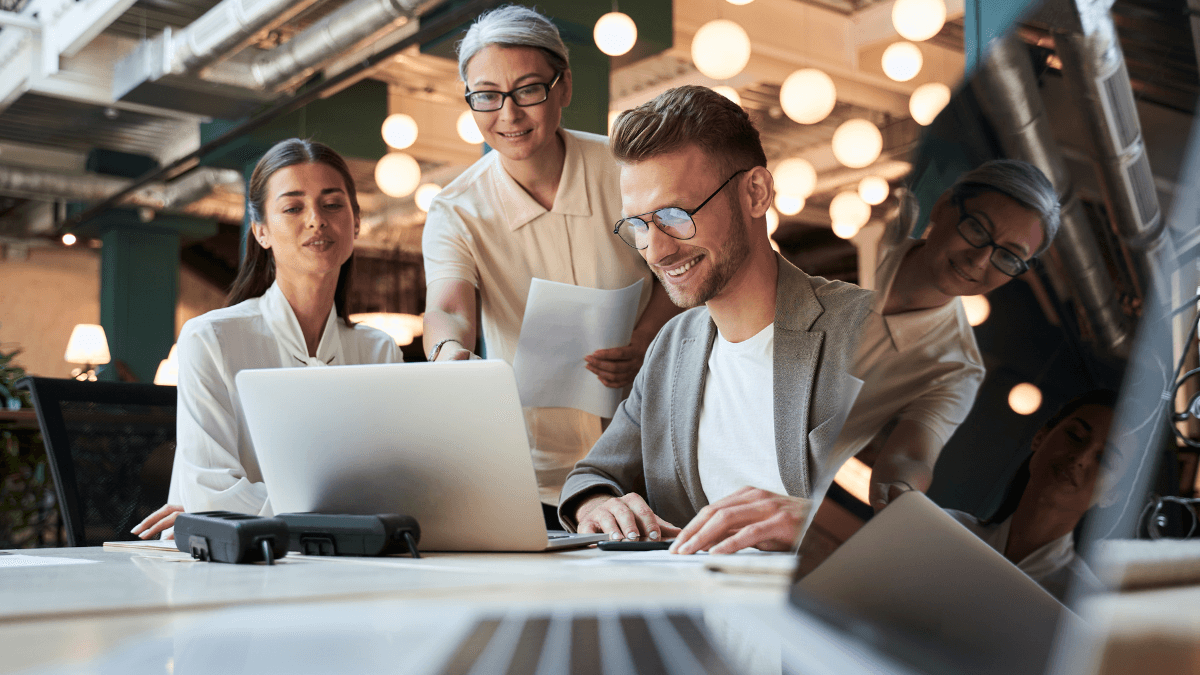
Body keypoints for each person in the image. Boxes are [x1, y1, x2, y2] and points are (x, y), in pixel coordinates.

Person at [557, 85, 874, 554]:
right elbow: (593, 475)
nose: (657, 250)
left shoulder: (870, 329)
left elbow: (961, 520)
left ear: (756, 193)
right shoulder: (672, 347)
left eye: (674, 214)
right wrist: (598, 505)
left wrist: (821, 522)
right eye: (640, 225)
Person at [420, 6, 679, 528]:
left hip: (651, 448)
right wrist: (450, 356)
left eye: (528, 89)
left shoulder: (623, 171)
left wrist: (644, 339)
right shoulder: (457, 208)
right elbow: (449, 306)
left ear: (562, 87)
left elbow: (672, 268)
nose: (509, 114)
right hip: (534, 470)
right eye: (487, 96)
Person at [132, 138, 401, 540]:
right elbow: (210, 495)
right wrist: (345, 514)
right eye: (293, 207)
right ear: (261, 230)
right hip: (237, 569)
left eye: (332, 204)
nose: (316, 219)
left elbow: (395, 491)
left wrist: (254, 508)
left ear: (357, 221)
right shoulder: (210, 339)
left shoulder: (379, 351)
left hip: (346, 563)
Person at [830, 160, 1061, 515]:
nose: (981, 259)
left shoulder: (957, 369)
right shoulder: (854, 237)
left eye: (1010, 257)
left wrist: (902, 490)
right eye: (977, 229)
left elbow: (912, 454)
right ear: (943, 207)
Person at [945, 389, 1118, 601]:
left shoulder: (1087, 608)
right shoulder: (942, 531)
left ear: (1115, 493)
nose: (1080, 458)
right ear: (1040, 436)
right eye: (1075, 436)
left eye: (1105, 460)